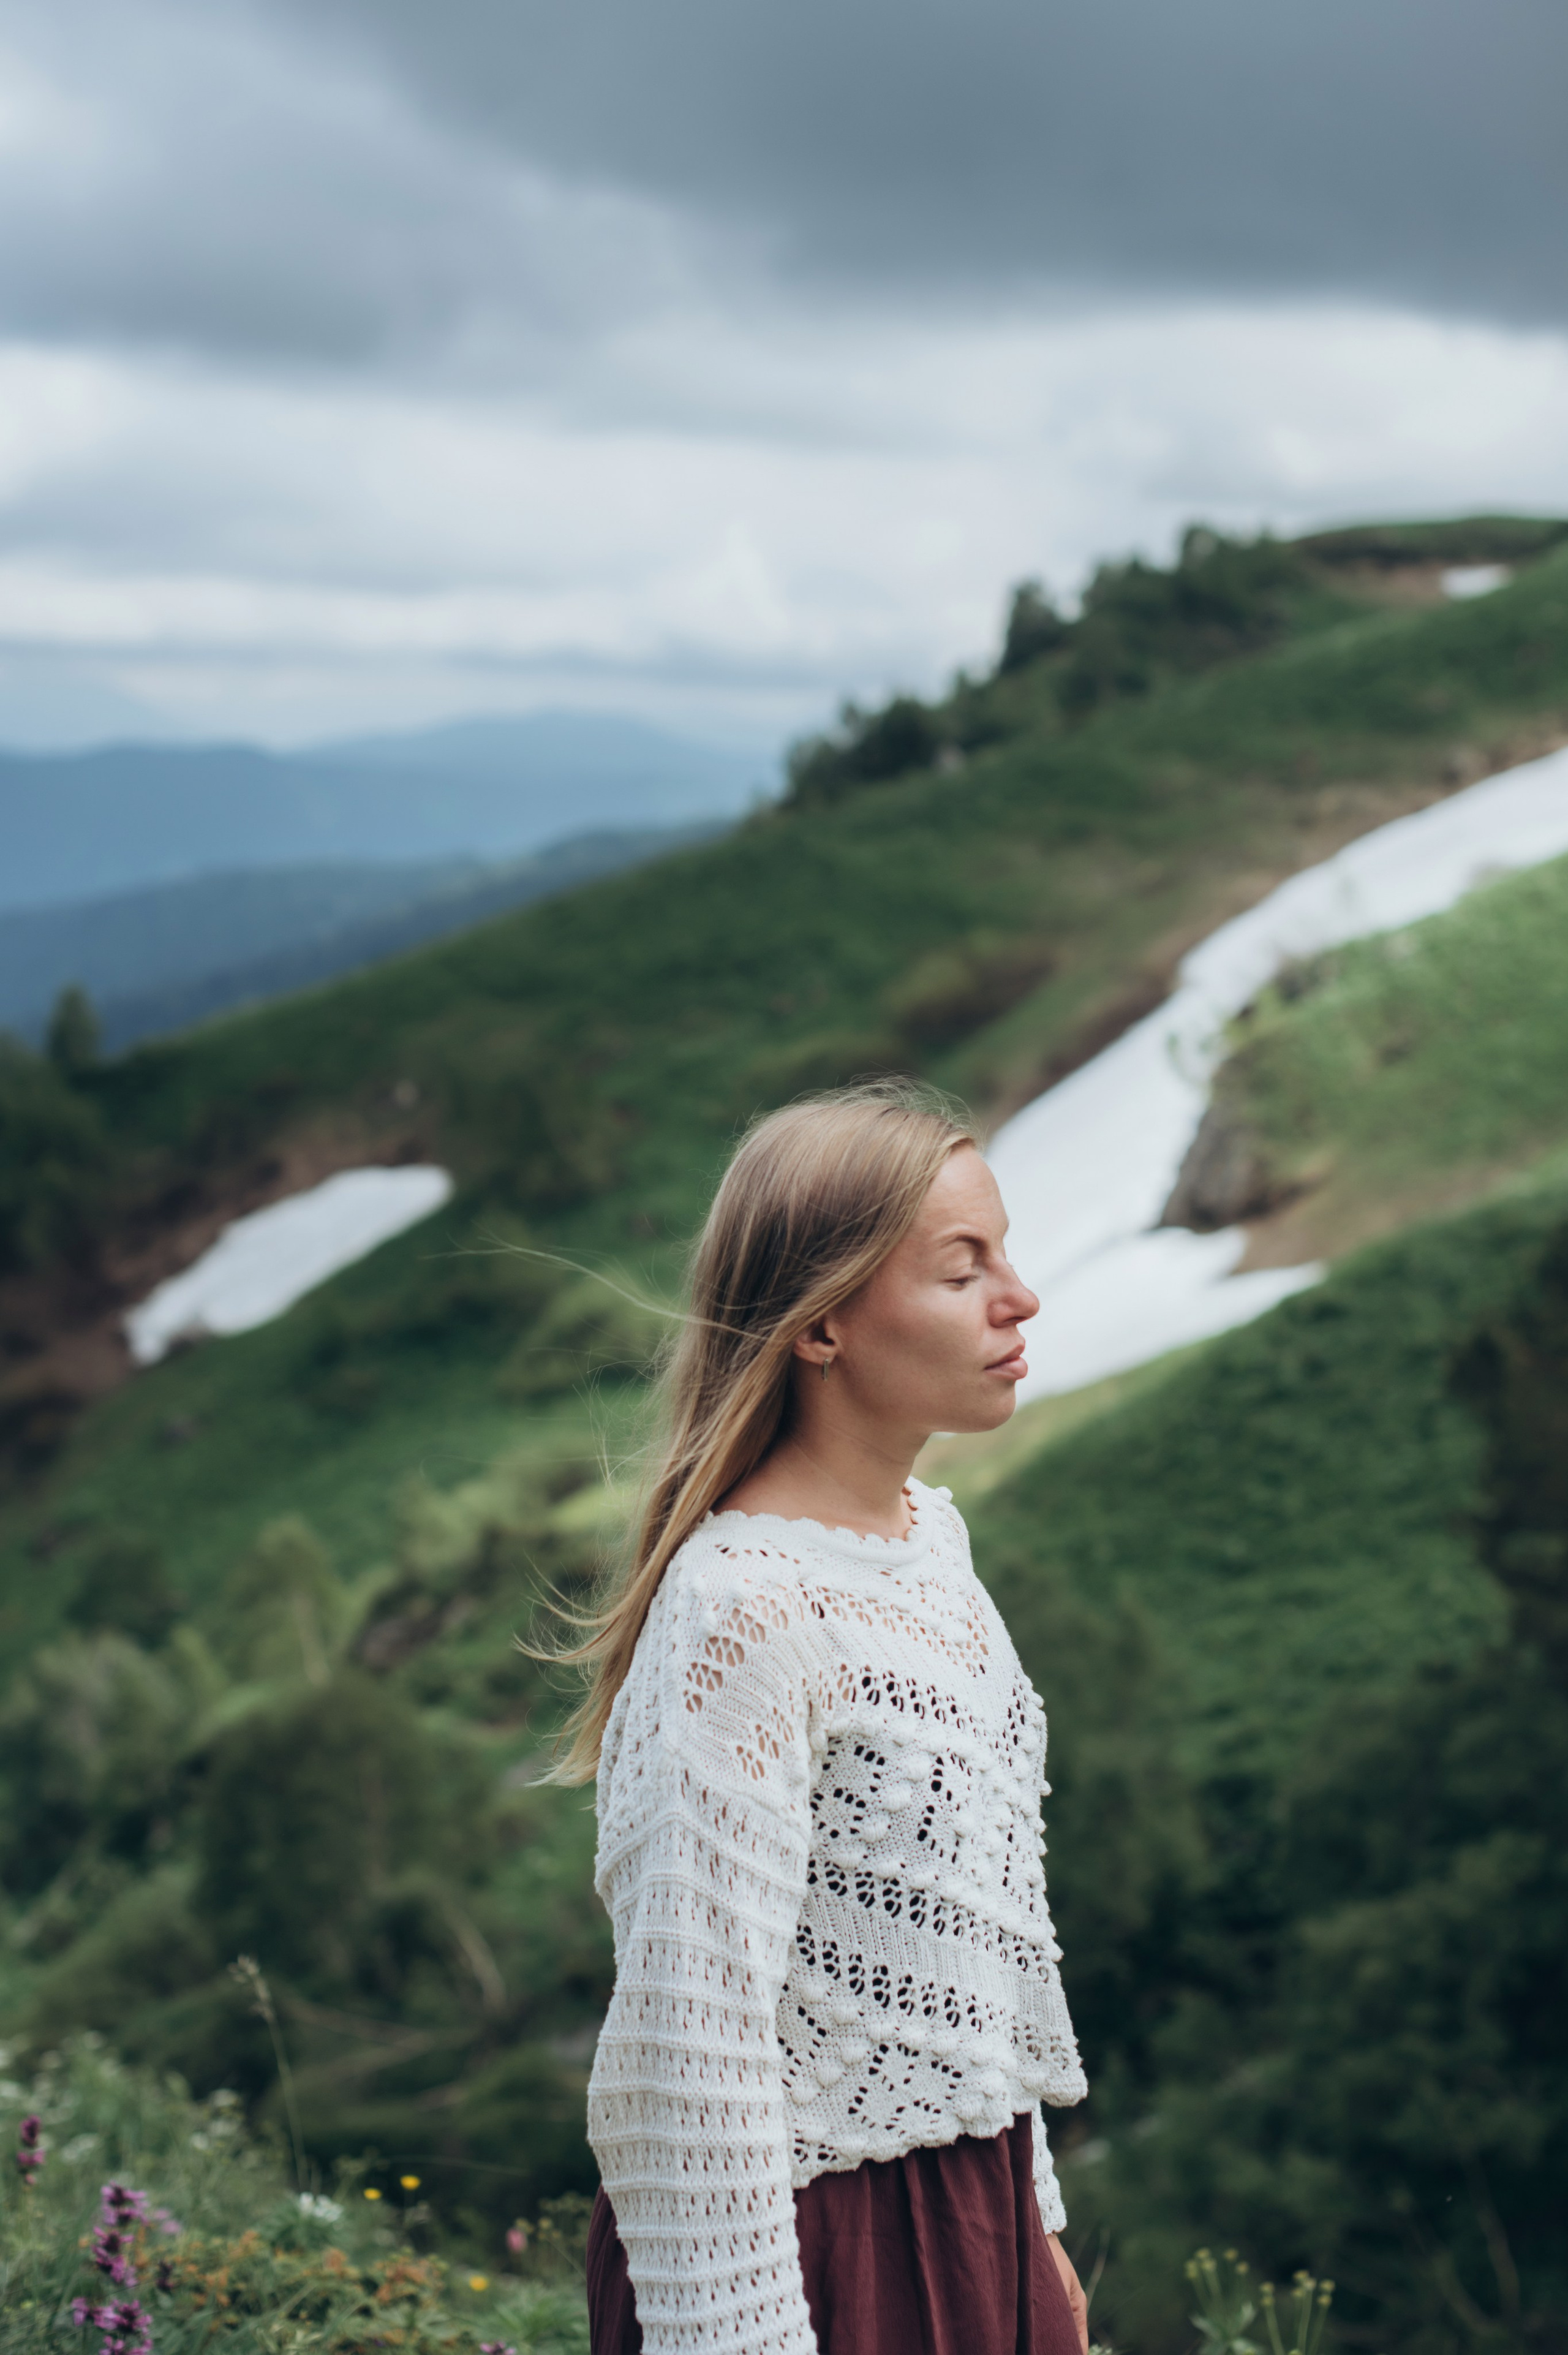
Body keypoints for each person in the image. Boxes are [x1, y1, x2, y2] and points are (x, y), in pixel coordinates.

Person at [549, 1081, 1089, 2355]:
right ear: (823, 1323)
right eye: (962, 1269)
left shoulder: (929, 1546)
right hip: (811, 2254)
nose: (1018, 1299)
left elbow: (967, 1947)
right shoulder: (741, 1611)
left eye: (1004, 1254)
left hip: (971, 2219)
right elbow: (687, 2049)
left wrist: (1035, 2227)